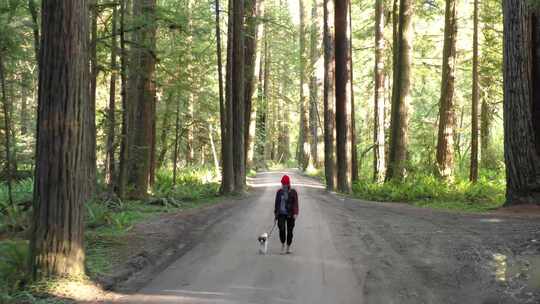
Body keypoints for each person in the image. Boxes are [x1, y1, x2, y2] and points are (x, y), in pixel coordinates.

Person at [274, 175, 299, 254]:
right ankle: (282, 244)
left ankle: (288, 247)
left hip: (290, 214)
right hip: (281, 214)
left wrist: (295, 213)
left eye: (285, 183)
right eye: (282, 183)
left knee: (290, 231)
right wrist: (275, 215)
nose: (284, 185)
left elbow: (296, 203)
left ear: (288, 184)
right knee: (281, 229)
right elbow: (276, 204)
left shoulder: (293, 192)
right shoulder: (279, 192)